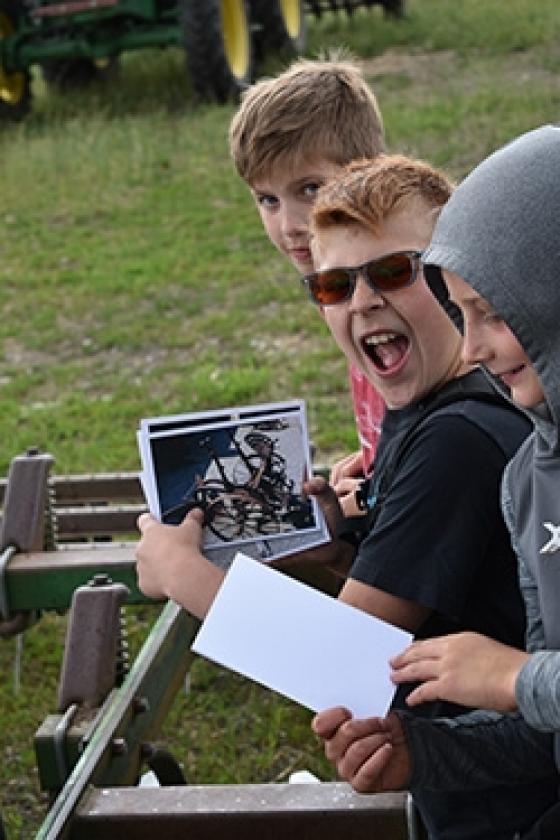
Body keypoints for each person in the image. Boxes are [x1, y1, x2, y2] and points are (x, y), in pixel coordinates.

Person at [136, 154, 558, 839]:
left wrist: (186, 576)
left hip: (511, 806)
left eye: (395, 271)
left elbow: (350, 661)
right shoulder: (427, 409)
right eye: (332, 286)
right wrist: (343, 555)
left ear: (455, 274)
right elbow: (455, 586)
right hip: (477, 774)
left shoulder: (456, 438)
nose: (362, 301)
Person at [313, 126, 560, 839]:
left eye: (494, 313)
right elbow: (543, 730)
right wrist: (420, 755)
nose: (475, 345)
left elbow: (519, 683)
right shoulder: (530, 478)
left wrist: (514, 679)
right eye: (463, 313)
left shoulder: (464, 435)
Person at [229, 55, 386, 492]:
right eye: (268, 200)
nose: (289, 225)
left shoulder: (389, 289)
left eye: (310, 189)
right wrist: (376, 454)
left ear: (371, 170)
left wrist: (379, 489)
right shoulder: (336, 281)